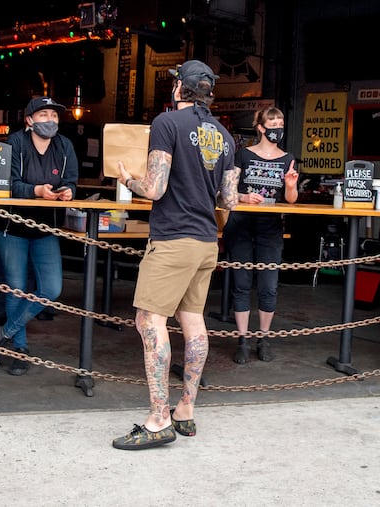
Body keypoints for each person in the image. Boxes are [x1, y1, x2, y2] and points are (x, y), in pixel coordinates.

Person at [113, 60, 239, 450]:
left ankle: (157, 419)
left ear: (179, 89)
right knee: (193, 322)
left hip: (172, 240)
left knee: (149, 322)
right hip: (206, 241)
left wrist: (126, 179)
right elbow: (229, 199)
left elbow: (155, 188)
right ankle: (185, 409)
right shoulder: (225, 136)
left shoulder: (167, 124)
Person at [0, 96, 78, 376]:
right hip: (11, 226)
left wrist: (68, 191)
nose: (50, 120)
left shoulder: (65, 146)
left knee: (51, 289)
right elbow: (6, 183)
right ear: (29, 120)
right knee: (16, 287)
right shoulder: (14, 143)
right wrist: (36, 191)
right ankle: (20, 349)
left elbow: (71, 179)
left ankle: (1, 333)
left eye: (54, 116)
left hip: (45, 228)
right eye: (44, 115)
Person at [222, 106, 298, 364]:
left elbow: (291, 200)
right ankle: (242, 340)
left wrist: (289, 186)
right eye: (272, 122)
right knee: (241, 283)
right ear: (261, 127)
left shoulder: (288, 158)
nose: (277, 127)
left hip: (271, 227)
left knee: (269, 286)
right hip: (241, 223)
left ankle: (264, 338)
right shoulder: (242, 154)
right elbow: (227, 190)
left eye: (281, 122)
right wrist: (243, 196)